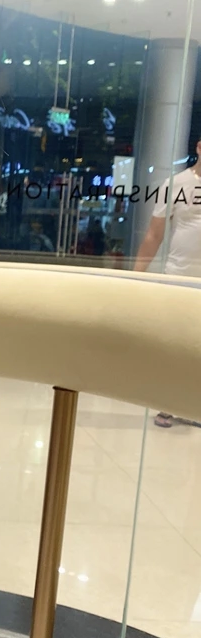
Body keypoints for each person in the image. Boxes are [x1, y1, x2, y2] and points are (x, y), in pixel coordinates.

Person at [135, 139, 201, 428]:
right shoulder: (175, 184)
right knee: (176, 344)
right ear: (199, 147)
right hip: (180, 278)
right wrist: (136, 275)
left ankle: (193, 405)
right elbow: (154, 234)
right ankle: (167, 404)